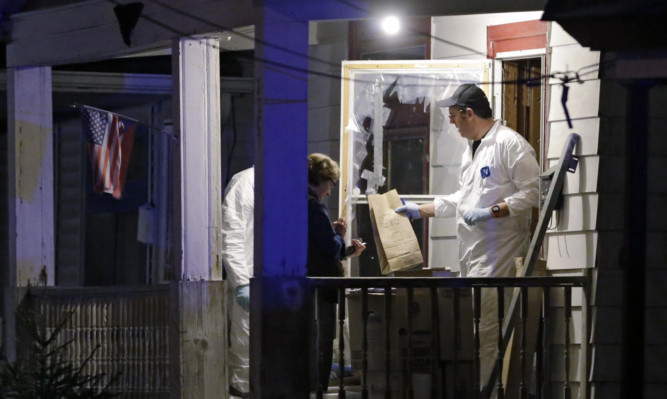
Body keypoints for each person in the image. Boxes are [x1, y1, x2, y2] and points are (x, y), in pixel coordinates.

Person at [395, 83, 540, 386]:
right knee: (479, 332)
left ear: (469, 113)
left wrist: (494, 211)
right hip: (474, 257)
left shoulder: (509, 145)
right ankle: (485, 389)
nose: (451, 123)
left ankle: (496, 391)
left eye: (453, 116)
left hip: (500, 255)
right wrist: (421, 210)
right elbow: (465, 198)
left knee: (491, 330)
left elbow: (534, 192)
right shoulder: (471, 150)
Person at [307, 153, 365, 393]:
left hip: (314, 283)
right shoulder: (313, 206)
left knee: (318, 339)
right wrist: (339, 236)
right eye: (331, 184)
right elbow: (330, 247)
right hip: (322, 287)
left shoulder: (302, 204)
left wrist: (339, 243)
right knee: (323, 340)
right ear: (322, 179)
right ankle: (317, 389)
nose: (330, 191)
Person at [221, 166, 254, 399]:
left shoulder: (283, 183)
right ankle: (241, 392)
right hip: (250, 277)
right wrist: (241, 282)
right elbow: (231, 234)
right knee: (245, 348)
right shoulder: (245, 183)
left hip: (274, 278)